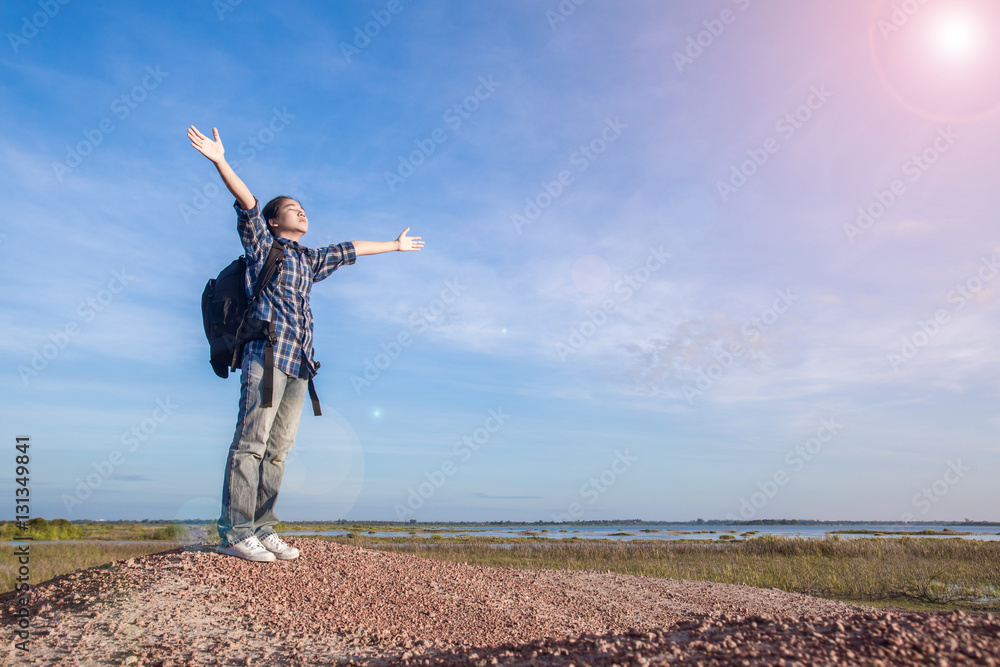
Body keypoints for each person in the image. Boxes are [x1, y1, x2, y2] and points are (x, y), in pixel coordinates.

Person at [188, 124, 424, 562]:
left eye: (303, 209)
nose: (301, 212)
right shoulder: (263, 246)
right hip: (266, 354)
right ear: (275, 221)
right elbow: (248, 202)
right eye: (292, 209)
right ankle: (236, 533)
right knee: (251, 443)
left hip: (301, 365)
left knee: (278, 451)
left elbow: (350, 248)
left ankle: (263, 528)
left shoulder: (309, 259)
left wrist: (394, 245)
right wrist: (221, 161)